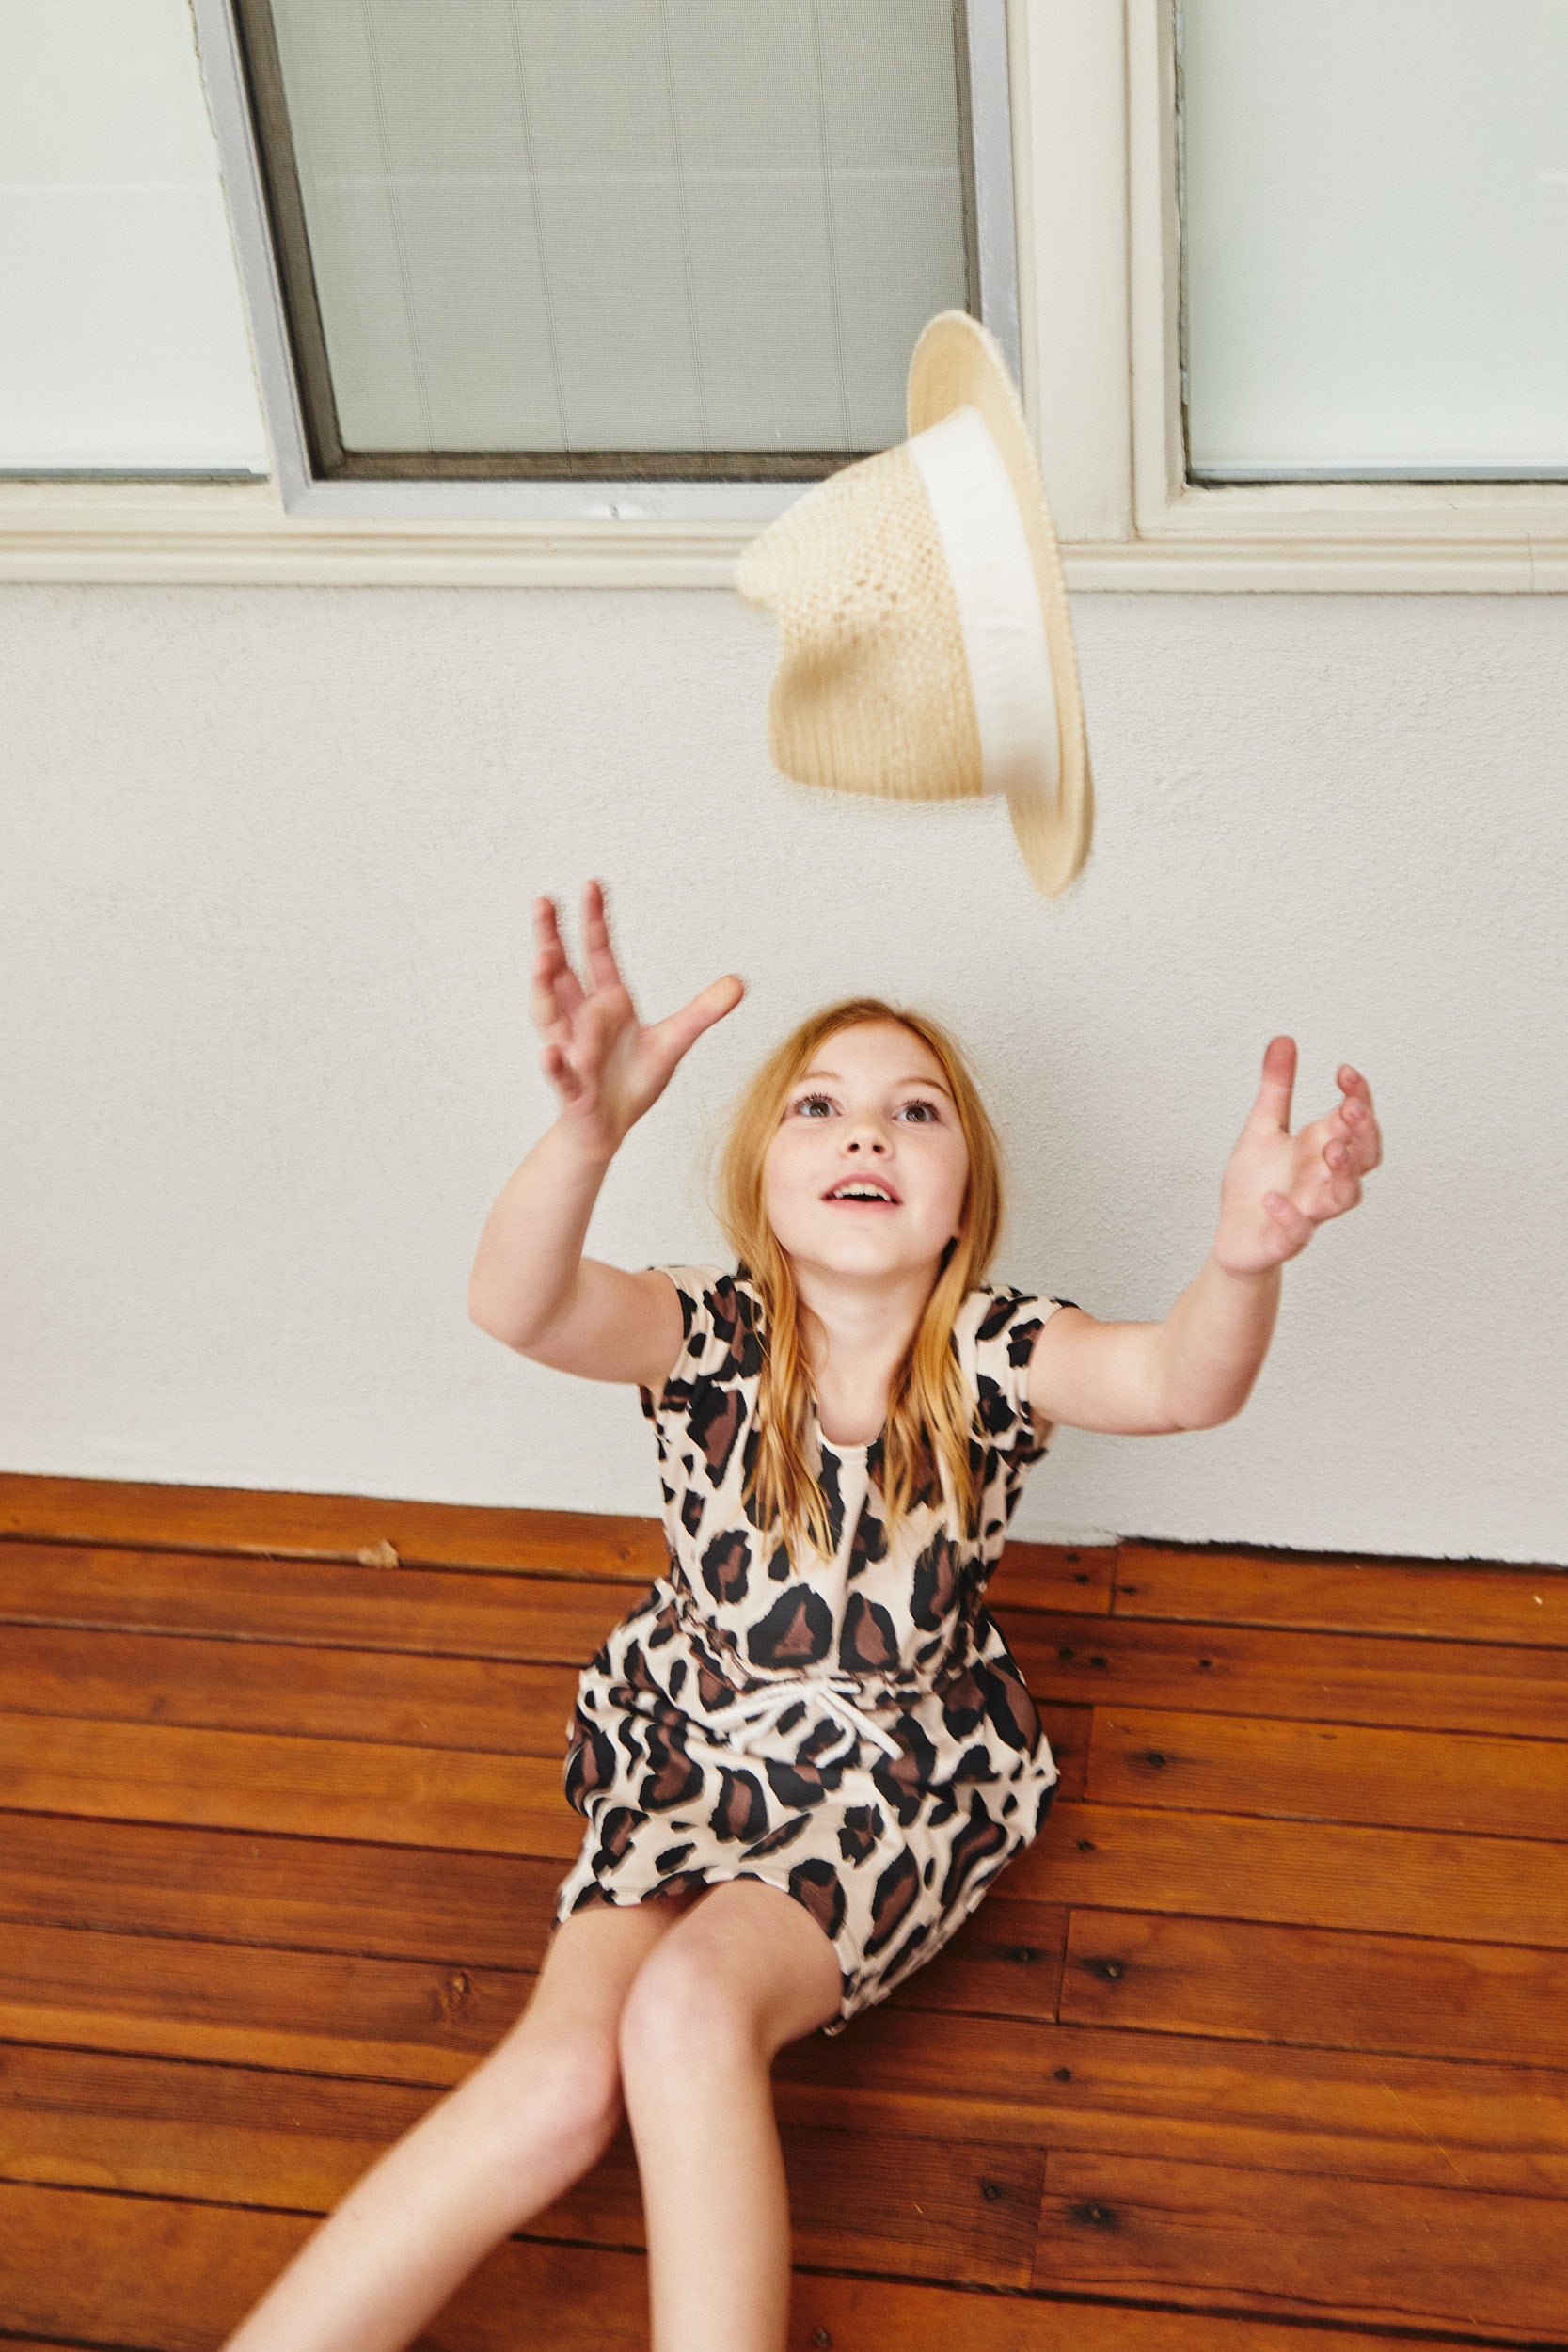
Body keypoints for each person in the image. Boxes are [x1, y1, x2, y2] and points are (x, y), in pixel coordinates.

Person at [220, 877, 1381, 2352]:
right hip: (690, 1741)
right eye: (821, 1107)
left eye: (916, 1113)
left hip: (894, 1775)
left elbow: (1180, 1384)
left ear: (964, 1196)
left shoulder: (997, 1347)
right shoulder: (710, 1331)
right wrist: (589, 1133)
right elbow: (517, 1304)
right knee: (563, 2081)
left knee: (690, 2019)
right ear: (764, 1179)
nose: (867, 1133)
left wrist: (1241, 1262)